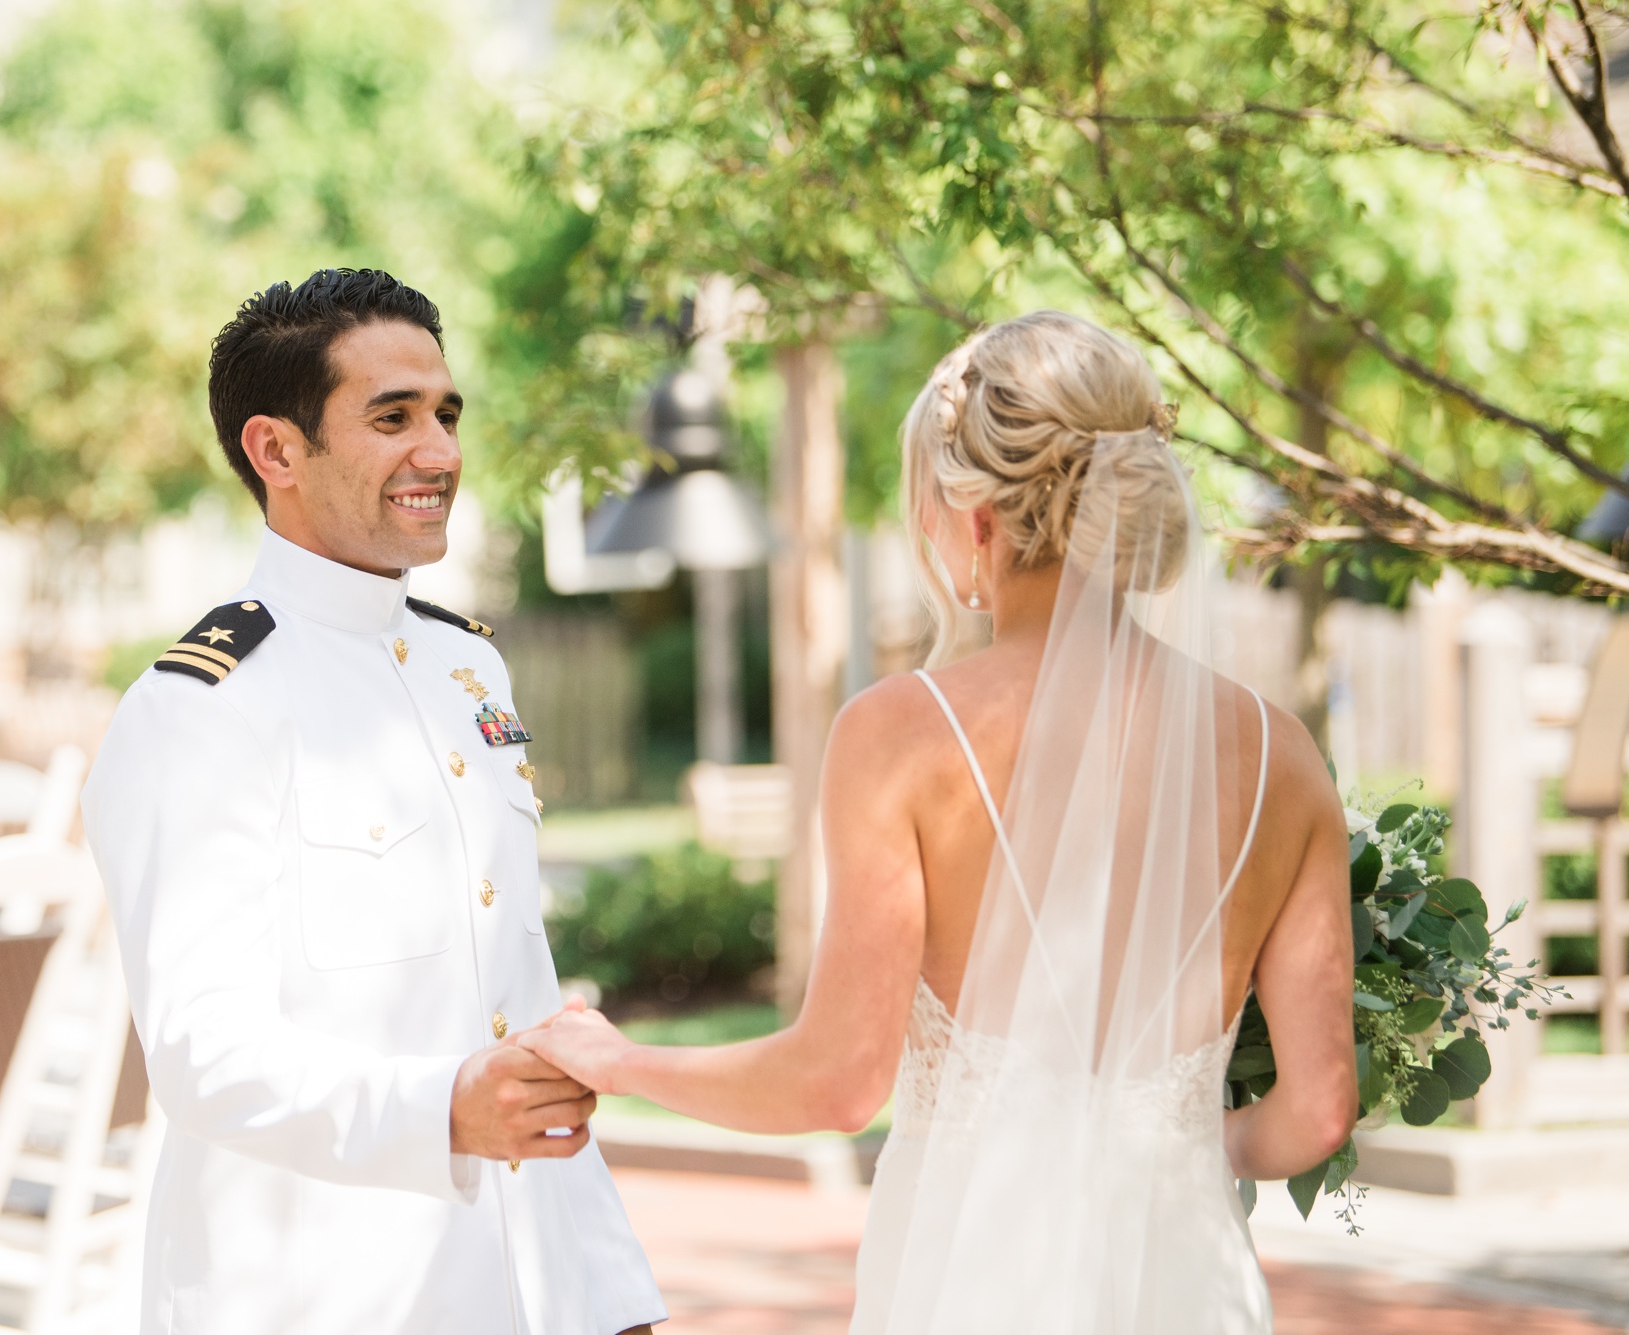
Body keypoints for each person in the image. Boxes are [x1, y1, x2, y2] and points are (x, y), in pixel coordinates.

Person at [521, 311, 1359, 1333]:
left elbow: (834, 1083)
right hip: (1190, 1286)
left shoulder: (899, 734)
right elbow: (1317, 1114)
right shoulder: (1281, 756)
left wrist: (619, 1060)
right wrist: (1174, 1143)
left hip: (974, 1280)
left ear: (977, 522)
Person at [82, 269, 664, 1335]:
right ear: (276, 451)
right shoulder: (201, 709)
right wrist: (441, 1107)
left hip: (526, 1292)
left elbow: (517, 1009)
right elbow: (201, 1055)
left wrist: (609, 1296)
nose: (438, 451)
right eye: (390, 418)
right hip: (319, 1299)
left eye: (444, 414)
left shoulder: (466, 671)